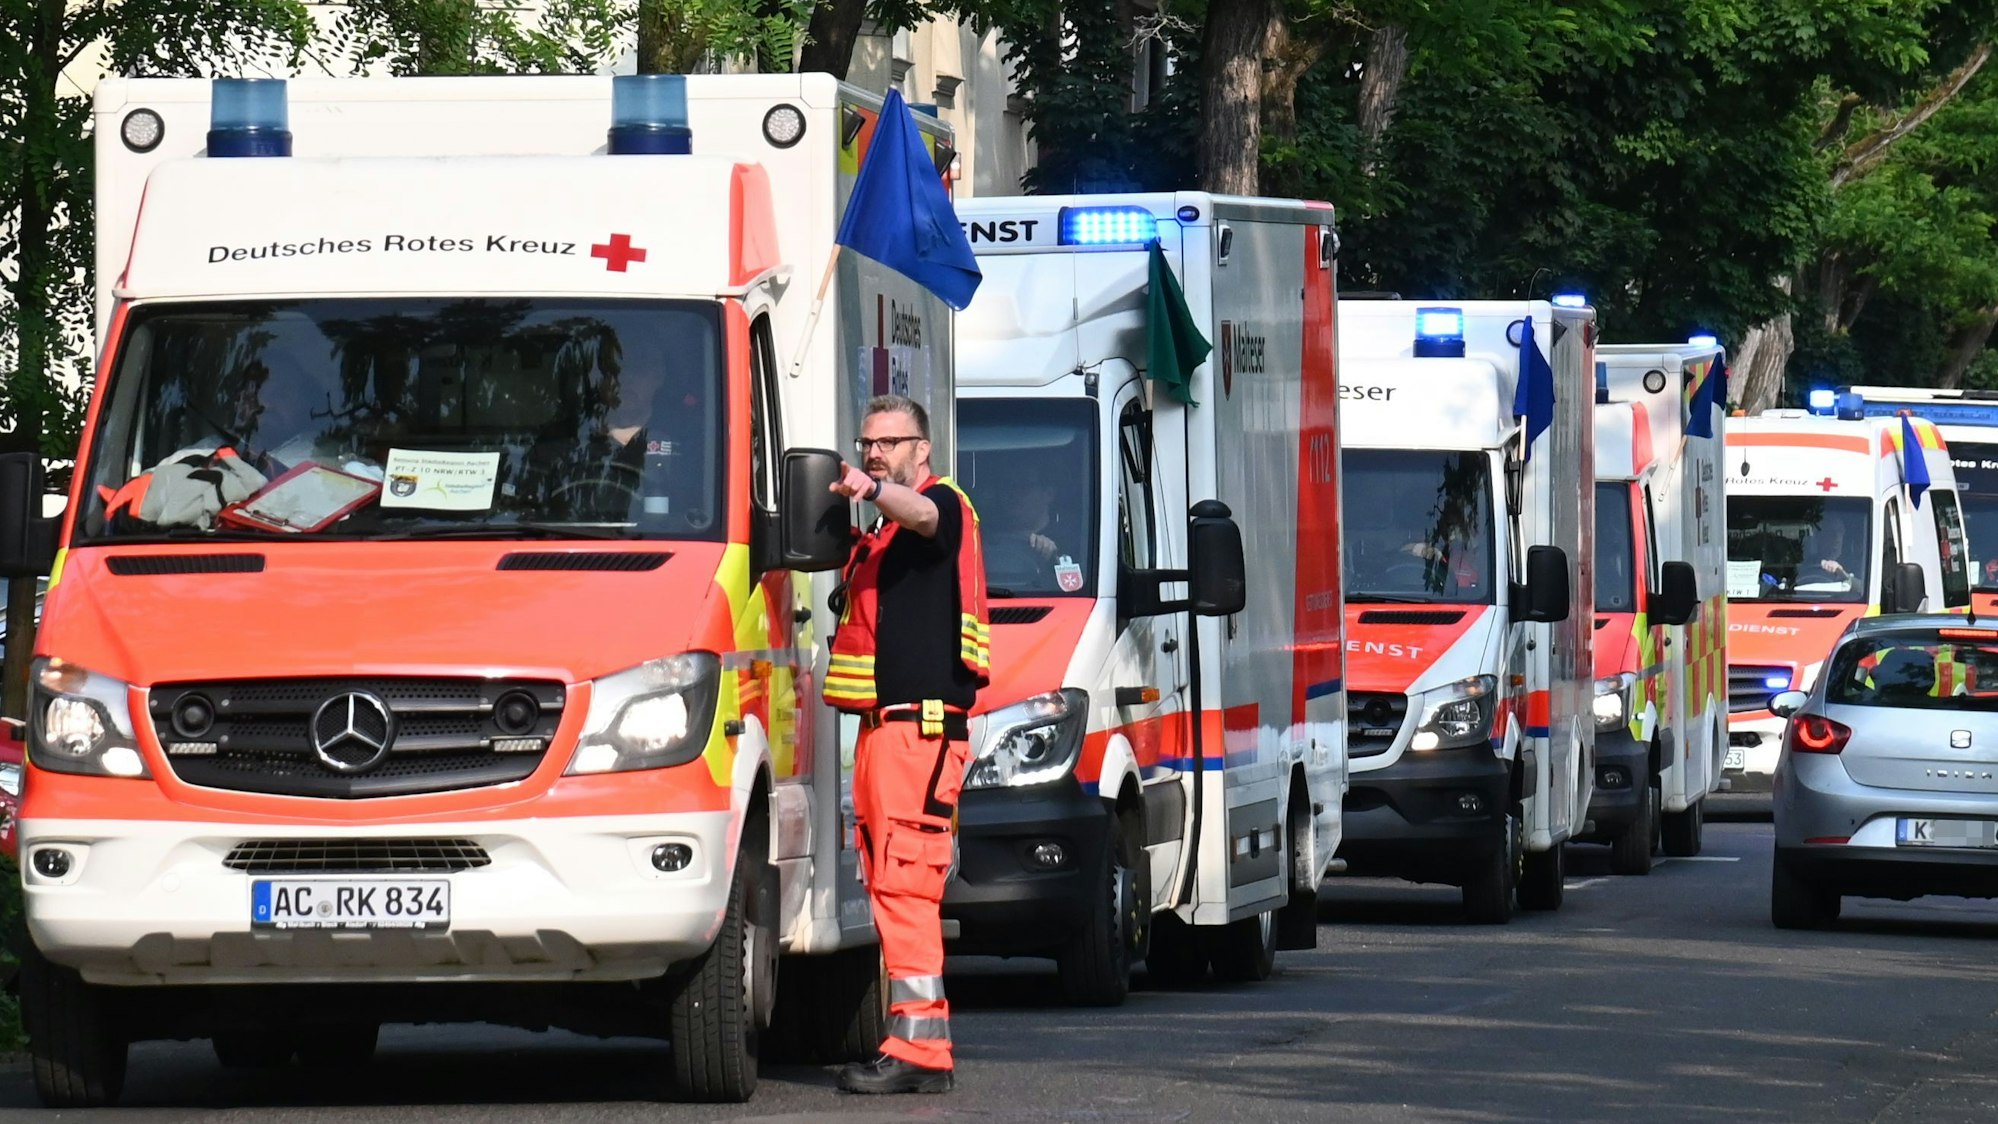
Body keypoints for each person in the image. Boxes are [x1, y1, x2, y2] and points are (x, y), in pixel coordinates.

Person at [824, 395, 989, 1096]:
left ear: (922, 449)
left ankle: (919, 1047)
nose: (874, 453)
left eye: (889, 443)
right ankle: (920, 1041)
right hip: (884, 733)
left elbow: (920, 514)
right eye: (867, 444)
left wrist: (873, 492)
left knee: (906, 889)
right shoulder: (885, 533)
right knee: (892, 886)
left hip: (918, 734)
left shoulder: (941, 505)